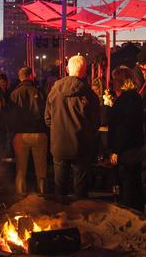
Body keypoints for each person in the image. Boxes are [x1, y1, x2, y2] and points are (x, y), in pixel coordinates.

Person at [45, 55, 100, 197]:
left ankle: (60, 215)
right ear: (85, 70)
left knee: (60, 187)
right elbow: (95, 123)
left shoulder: (54, 91)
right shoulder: (90, 94)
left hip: (59, 144)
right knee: (80, 188)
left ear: (68, 69)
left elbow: (48, 118)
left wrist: (58, 129)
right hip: (81, 145)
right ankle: (80, 216)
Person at [108, 66, 146, 212]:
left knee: (128, 184)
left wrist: (117, 150)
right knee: (135, 182)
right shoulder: (135, 97)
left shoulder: (125, 100)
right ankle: (138, 212)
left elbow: (123, 127)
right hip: (135, 145)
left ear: (120, 81)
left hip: (127, 148)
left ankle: (131, 213)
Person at [10, 67, 48, 194]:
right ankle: (42, 197)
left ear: (20, 77)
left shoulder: (14, 94)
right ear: (31, 76)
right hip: (39, 133)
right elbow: (46, 112)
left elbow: (12, 116)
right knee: (41, 170)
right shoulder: (39, 91)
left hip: (20, 134)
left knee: (20, 170)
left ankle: (20, 200)